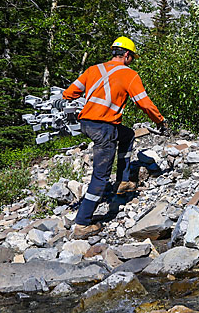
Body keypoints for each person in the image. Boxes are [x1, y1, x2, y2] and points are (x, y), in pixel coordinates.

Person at [57, 36, 165, 238]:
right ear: (126, 55)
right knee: (100, 177)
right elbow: (145, 104)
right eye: (132, 57)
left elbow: (70, 93)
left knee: (127, 135)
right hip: (103, 128)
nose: (132, 60)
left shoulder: (93, 70)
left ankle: (123, 181)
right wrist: (160, 121)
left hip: (87, 124)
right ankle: (82, 223)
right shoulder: (130, 75)